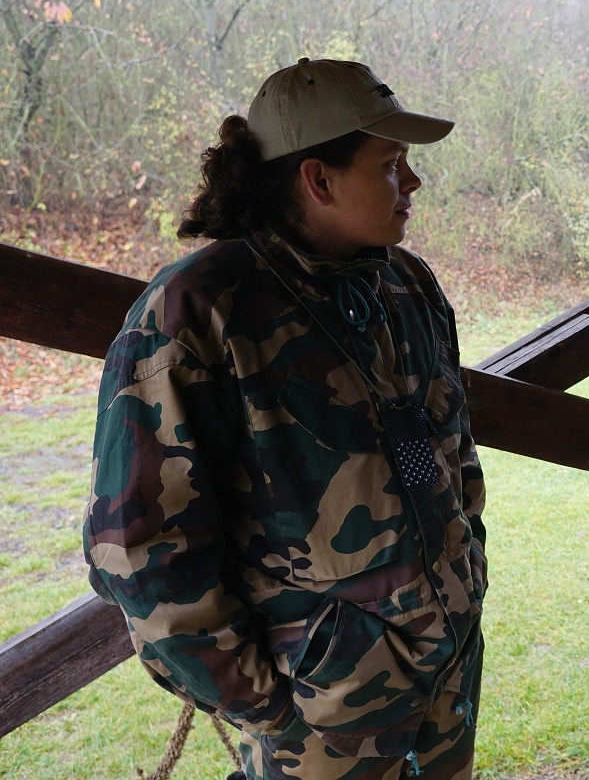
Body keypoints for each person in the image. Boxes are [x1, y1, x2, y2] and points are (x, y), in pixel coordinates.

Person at [82, 58, 486, 780]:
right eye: (390, 163)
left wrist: (467, 573)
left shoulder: (406, 284)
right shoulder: (197, 312)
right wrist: (270, 709)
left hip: (447, 679)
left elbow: (451, 452)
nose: (414, 181)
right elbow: (139, 550)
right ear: (318, 179)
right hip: (319, 721)